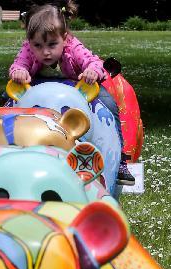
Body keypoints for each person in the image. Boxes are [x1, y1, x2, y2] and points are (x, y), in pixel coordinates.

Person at [9, 0, 135, 185]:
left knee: (108, 103)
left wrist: (92, 72)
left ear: (65, 38)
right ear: (30, 42)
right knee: (7, 101)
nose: (45, 52)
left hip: (77, 90)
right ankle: (2, 142)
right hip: (38, 90)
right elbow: (18, 65)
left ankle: (120, 159)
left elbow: (95, 63)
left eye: (52, 44)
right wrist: (19, 73)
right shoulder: (28, 48)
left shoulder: (73, 47)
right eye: (38, 46)